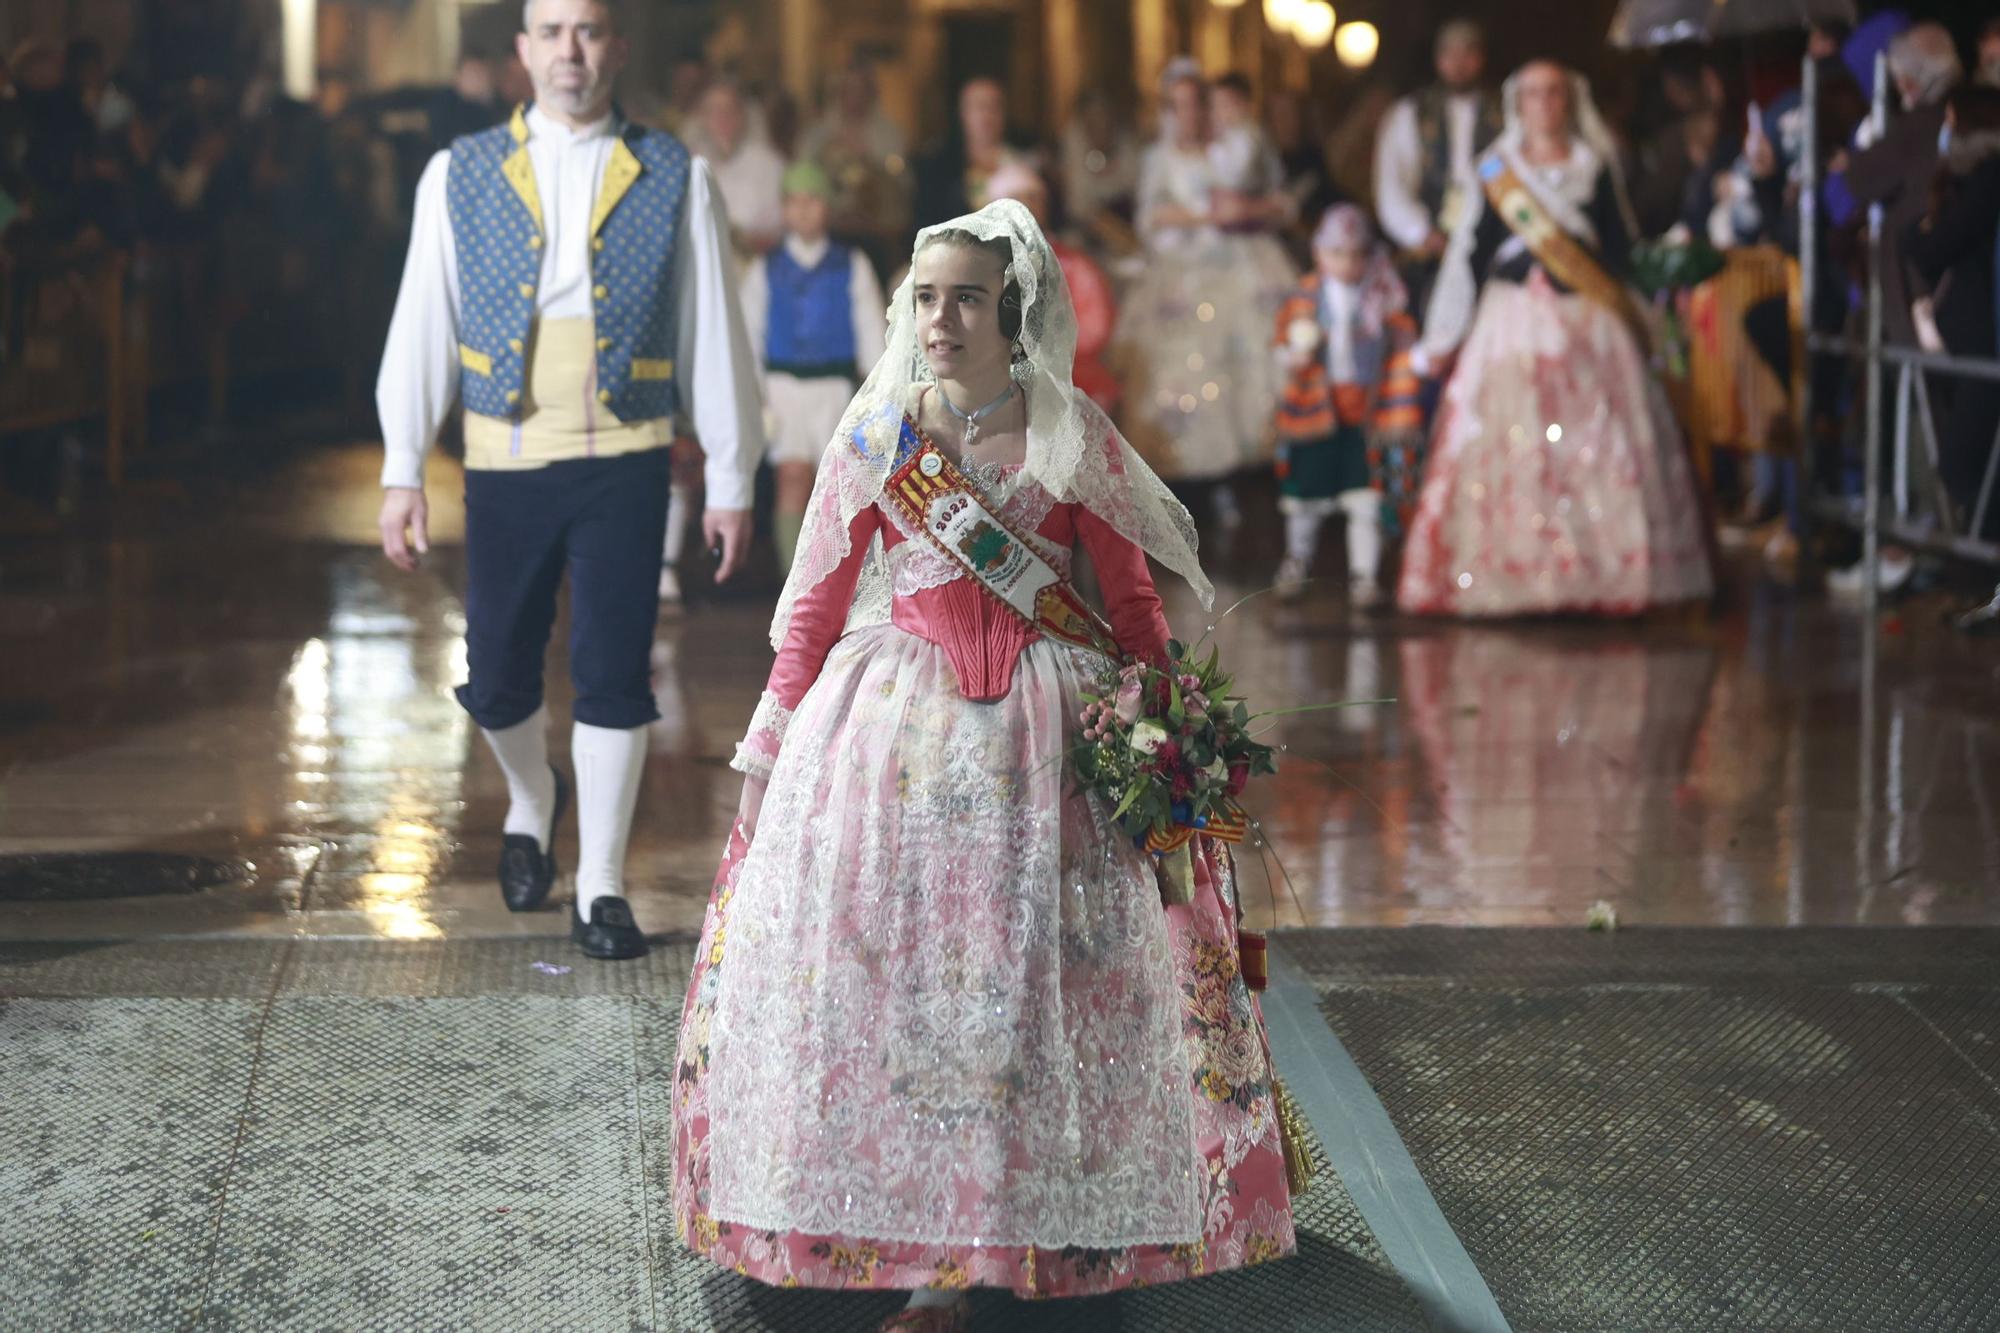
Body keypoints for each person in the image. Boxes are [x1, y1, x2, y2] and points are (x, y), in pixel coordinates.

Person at [670, 200, 1296, 1331]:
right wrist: (764, 757)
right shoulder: (874, 441)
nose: (939, 319)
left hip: (1043, 753)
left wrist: (1165, 748)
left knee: (1026, 999)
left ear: (1009, 308)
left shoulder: (1070, 437)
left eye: (962, 297)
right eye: (924, 299)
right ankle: (909, 1250)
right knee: (892, 995)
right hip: (886, 745)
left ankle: (1024, 1235)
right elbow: (809, 617)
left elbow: (1136, 610)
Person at [374, 0, 764, 959]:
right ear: (522, 51)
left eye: (587, 31)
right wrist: (400, 464)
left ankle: (600, 885)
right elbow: (425, 318)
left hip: (626, 455)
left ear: (617, 47)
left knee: (614, 672)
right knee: (497, 675)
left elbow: (712, 331)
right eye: (551, 32)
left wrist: (731, 474)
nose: (570, 51)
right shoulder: (457, 174)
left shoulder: (677, 173)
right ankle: (533, 794)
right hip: (507, 453)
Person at [1398, 61, 1712, 617]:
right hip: (1512, 321)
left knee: (1599, 443)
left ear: (1569, 101)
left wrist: (1659, 278)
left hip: (1585, 320)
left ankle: (1599, 577)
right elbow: (1471, 253)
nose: (1545, 104)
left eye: (1554, 93)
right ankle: (1509, 577)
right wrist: (1447, 330)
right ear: (1519, 104)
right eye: (1534, 94)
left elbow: (1618, 249)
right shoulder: (1496, 170)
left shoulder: (1594, 165)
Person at [1114, 60, 1296, 527]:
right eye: (1178, 106)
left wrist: (1242, 211)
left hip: (1237, 264)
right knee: (1183, 367)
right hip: (1182, 268)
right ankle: (1187, 481)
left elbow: (1279, 202)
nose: (1188, 115)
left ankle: (1237, 476)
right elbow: (1151, 216)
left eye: (1196, 104)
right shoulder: (1161, 157)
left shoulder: (1232, 148)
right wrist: (1204, 218)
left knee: (1244, 361)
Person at [1270, 205, 1426, 606]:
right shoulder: (1305, 299)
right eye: (1337, 253)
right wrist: (1293, 356)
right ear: (1320, 254)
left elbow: (1401, 344)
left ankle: (1364, 575)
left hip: (1365, 414)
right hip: (1317, 411)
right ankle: (1296, 561)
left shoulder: (1384, 298)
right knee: (1305, 497)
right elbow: (1281, 345)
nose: (1348, 264)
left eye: (1357, 255)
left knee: (1366, 497)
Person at [739, 160, 887, 570]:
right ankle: (794, 579)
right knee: (792, 477)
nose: (804, 210)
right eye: (795, 202)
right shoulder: (766, 269)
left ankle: (835, 577)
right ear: (783, 208)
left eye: (814, 201)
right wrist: (755, 394)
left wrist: (875, 396)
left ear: (829, 207)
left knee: (837, 484)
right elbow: (749, 333)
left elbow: (871, 329)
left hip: (836, 389)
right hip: (782, 386)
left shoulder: (850, 265)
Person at [1904, 85, 2000, 540]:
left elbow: (1935, 247)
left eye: (1949, 118)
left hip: (1986, 350)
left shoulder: (1989, 179)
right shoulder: (1972, 179)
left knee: (1963, 466)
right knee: (1973, 469)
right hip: (1974, 348)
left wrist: (1913, 234)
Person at [1372, 20, 1501, 313]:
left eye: (1467, 53)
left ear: (1480, 58)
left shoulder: (1504, 111)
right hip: (1431, 244)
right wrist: (1421, 232)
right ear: (1438, 59)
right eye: (1449, 54)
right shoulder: (1410, 113)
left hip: (1490, 238)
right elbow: (1391, 183)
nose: (1458, 64)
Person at [981, 160, 1120, 412]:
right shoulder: (979, 270)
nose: (1027, 206)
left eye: (1034, 197)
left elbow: (1096, 327)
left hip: (1072, 380)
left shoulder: (1074, 266)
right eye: (1016, 198)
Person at [911, 76, 1032, 230]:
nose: (986, 116)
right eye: (979, 107)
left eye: (993, 107)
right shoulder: (937, 167)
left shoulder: (1021, 165)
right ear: (963, 112)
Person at [685, 77, 785, 256]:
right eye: (714, 110)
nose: (722, 116)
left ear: (741, 115)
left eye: (729, 109)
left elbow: (780, 226)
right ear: (702, 118)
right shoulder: (689, 164)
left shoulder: (769, 163)